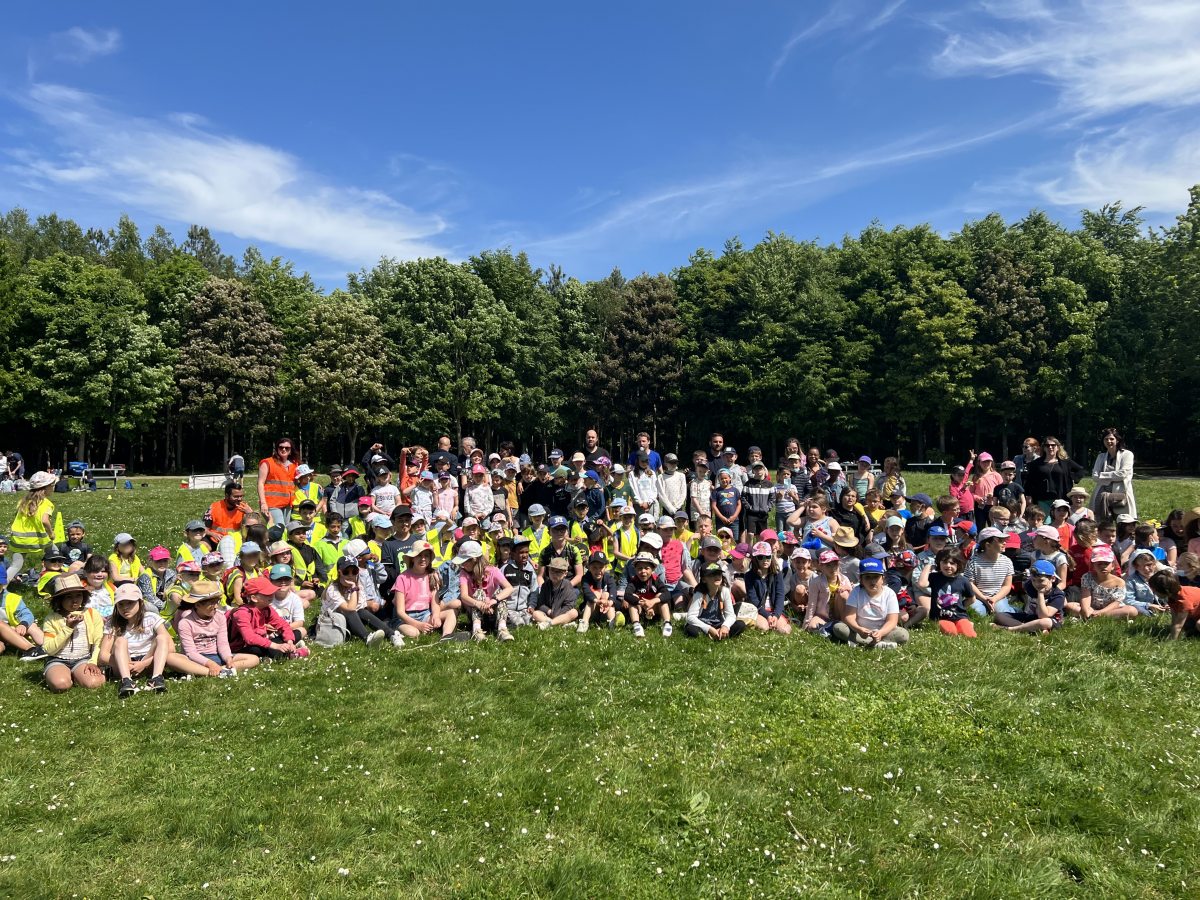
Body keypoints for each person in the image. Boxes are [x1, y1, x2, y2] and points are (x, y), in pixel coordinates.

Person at [102, 582, 208, 696]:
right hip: (123, 664)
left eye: (130, 603)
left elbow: (171, 647)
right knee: (121, 641)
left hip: (147, 662)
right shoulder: (112, 622)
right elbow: (103, 655)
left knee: (162, 637)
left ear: (140, 602)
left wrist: (144, 664)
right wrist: (126, 665)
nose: (125, 607)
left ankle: (156, 678)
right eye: (121, 604)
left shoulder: (151, 618)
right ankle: (126, 681)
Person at [40, 573, 106, 693]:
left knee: (94, 683)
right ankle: (60, 674)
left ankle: (79, 674)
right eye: (68, 597)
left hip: (83, 658)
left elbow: (99, 640)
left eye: (79, 595)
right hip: (58, 659)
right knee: (61, 684)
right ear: (60, 600)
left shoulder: (92, 613)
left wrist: (93, 661)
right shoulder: (52, 619)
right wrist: (68, 628)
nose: (75, 600)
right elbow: (49, 649)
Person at [176, 581, 258, 676]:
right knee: (171, 658)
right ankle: (219, 671)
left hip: (217, 656)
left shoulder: (220, 617)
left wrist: (228, 659)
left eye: (217, 602)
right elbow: (191, 652)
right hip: (195, 660)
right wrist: (209, 663)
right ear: (198, 605)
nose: (216, 606)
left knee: (254, 659)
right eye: (211, 603)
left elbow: (222, 643)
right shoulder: (185, 623)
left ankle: (216, 671)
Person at [832, 557, 908, 648]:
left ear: (882, 578)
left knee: (903, 634)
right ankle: (878, 644)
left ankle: (862, 643)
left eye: (876, 576)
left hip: (883, 631)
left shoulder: (889, 593)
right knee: (839, 628)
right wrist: (859, 629)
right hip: (860, 631)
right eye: (867, 577)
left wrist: (881, 632)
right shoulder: (856, 592)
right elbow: (849, 616)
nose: (872, 581)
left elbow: (892, 620)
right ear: (861, 579)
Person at [231, 576, 310, 660]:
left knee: (297, 632)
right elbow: (250, 638)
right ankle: (289, 654)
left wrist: (289, 641)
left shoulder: (267, 609)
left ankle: (285, 650)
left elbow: (283, 625)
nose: (272, 596)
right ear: (254, 598)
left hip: (263, 641)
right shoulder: (242, 613)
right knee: (257, 649)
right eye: (267, 594)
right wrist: (275, 646)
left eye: (272, 593)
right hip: (243, 647)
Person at [392, 541, 456, 640]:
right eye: (419, 555)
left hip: (425, 614)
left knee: (451, 613)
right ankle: (395, 627)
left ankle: (446, 636)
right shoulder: (402, 578)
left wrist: (435, 616)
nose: (423, 559)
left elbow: (435, 603)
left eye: (426, 556)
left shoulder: (433, 576)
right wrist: (418, 625)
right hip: (405, 617)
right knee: (414, 633)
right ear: (412, 558)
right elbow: (400, 612)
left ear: (430, 559)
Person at [456, 540, 516, 642]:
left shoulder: (493, 571)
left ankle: (502, 629)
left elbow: (509, 588)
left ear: (474, 559)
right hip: (476, 610)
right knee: (479, 593)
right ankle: (477, 630)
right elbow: (464, 596)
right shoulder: (464, 573)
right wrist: (479, 604)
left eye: (465, 561)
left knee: (499, 593)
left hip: (493, 611)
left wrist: (493, 601)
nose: (462, 564)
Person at [8, 470, 59, 578]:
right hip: (38, 540)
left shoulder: (22, 502)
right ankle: (44, 578)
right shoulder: (46, 503)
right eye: (52, 485)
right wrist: (51, 533)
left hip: (19, 540)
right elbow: (45, 520)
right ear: (46, 487)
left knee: (16, 565)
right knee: (54, 553)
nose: (53, 488)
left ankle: (2, 587)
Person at [994, 560, 1065, 634]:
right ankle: (1030, 629)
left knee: (1045, 622)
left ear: (1053, 578)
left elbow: (1043, 616)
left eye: (1041, 580)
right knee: (1000, 615)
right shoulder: (1030, 586)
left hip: (1050, 620)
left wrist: (1040, 594)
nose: (1036, 584)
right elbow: (1029, 601)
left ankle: (1011, 629)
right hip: (1031, 617)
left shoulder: (1058, 595)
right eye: (1033, 580)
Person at [921, 547, 977, 637]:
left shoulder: (963, 581)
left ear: (958, 564)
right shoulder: (935, 577)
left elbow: (972, 599)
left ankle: (966, 624)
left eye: (952, 563)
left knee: (970, 635)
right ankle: (946, 625)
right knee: (951, 633)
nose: (948, 565)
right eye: (944, 562)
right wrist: (928, 567)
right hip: (940, 617)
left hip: (959, 616)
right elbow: (922, 584)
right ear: (939, 563)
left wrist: (959, 605)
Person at [1023, 436, 1084, 516]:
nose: (1050, 447)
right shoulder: (1036, 463)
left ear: (1058, 447)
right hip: (1042, 498)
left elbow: (1080, 470)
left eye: (1053, 445)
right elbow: (1029, 481)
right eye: (1047, 445)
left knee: (1059, 520)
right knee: (1045, 522)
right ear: (1044, 448)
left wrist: (1072, 478)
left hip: (1060, 497)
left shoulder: (1065, 462)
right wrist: (1029, 496)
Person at [685, 562, 744, 640]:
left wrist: (725, 626)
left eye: (719, 574)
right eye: (712, 574)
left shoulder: (725, 591)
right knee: (691, 630)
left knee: (741, 624)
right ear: (703, 579)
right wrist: (708, 629)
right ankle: (716, 635)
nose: (717, 576)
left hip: (719, 623)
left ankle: (719, 633)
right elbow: (690, 617)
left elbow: (731, 615)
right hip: (703, 624)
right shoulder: (699, 594)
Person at [1089, 428, 1137, 520]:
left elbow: (1122, 474)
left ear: (1117, 440)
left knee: (1123, 521)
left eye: (1111, 439)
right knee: (1101, 521)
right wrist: (1114, 476)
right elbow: (1095, 477)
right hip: (1101, 492)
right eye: (1106, 439)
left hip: (1120, 491)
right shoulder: (1101, 457)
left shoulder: (1127, 454)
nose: (1109, 441)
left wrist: (1103, 475)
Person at [964, 528, 1013, 617]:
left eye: (1004, 540)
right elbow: (970, 583)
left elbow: (1007, 585)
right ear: (988, 545)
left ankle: (1013, 610)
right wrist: (984, 599)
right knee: (977, 613)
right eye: (1000, 541)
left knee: (1003, 613)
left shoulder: (1007, 561)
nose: (1004, 543)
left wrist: (995, 598)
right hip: (978, 597)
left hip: (998, 597)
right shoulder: (973, 561)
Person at [0, 569, 46, 660]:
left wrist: (23, 624)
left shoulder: (11, 598)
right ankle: (32, 650)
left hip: (13, 630)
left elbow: (26, 614)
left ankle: (49, 647)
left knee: (31, 626)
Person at [743, 542, 789, 633]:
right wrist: (767, 615)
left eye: (768, 557)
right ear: (755, 559)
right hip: (759, 610)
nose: (765, 560)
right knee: (764, 628)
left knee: (785, 630)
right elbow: (753, 599)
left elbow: (780, 596)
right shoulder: (749, 576)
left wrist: (776, 615)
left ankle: (777, 621)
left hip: (775, 609)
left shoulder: (777, 574)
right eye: (761, 557)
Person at [624, 552, 672, 638]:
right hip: (641, 609)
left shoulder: (656, 580)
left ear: (653, 569)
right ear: (635, 569)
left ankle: (667, 623)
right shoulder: (633, 581)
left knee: (661, 596)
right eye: (639, 568)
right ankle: (637, 625)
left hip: (655, 609)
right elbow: (627, 595)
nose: (643, 571)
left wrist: (653, 602)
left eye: (647, 568)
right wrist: (641, 603)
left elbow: (667, 594)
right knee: (633, 597)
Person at [257, 437, 299, 525]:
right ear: (277, 449)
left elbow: (305, 478)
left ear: (291, 450)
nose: (284, 449)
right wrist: (263, 503)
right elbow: (260, 483)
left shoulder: (295, 465)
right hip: (271, 503)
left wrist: (316, 485)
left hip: (288, 504)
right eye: (281, 447)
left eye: (287, 448)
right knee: (279, 528)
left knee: (286, 529)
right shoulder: (268, 463)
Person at [577, 551, 620, 632]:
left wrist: (610, 601)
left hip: (605, 611)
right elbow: (587, 592)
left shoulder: (609, 578)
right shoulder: (585, 578)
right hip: (591, 612)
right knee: (595, 594)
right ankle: (584, 623)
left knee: (606, 594)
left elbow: (613, 590)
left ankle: (612, 622)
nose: (598, 570)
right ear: (588, 567)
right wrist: (597, 601)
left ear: (606, 567)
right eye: (594, 567)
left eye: (601, 567)